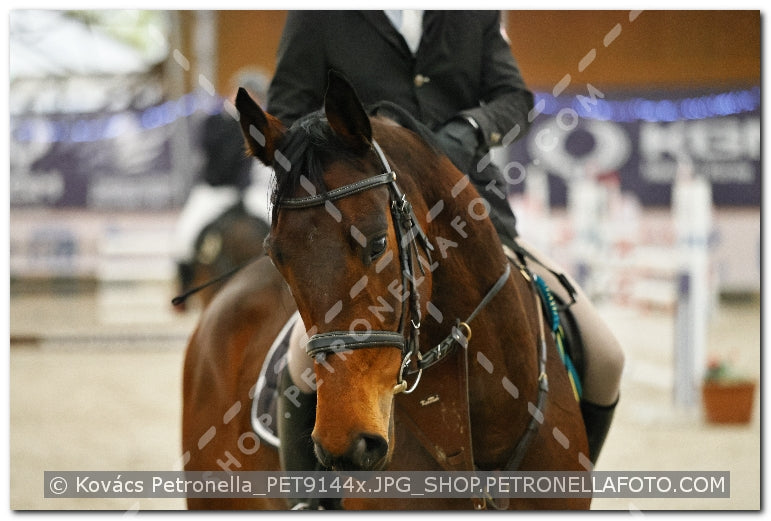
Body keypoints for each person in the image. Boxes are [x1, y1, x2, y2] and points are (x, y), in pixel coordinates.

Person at [265, 10, 624, 487]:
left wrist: (471, 128)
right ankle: (308, 500)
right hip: (362, 234)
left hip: (472, 218)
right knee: (299, 361)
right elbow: (287, 123)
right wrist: (355, 142)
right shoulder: (317, 17)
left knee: (605, 357)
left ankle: (569, 486)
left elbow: (514, 99)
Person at [172, 67, 272, 305]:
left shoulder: (262, 126)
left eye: (255, 97)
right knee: (183, 236)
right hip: (214, 191)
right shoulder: (214, 122)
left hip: (249, 192)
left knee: (278, 230)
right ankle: (184, 290)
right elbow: (222, 159)